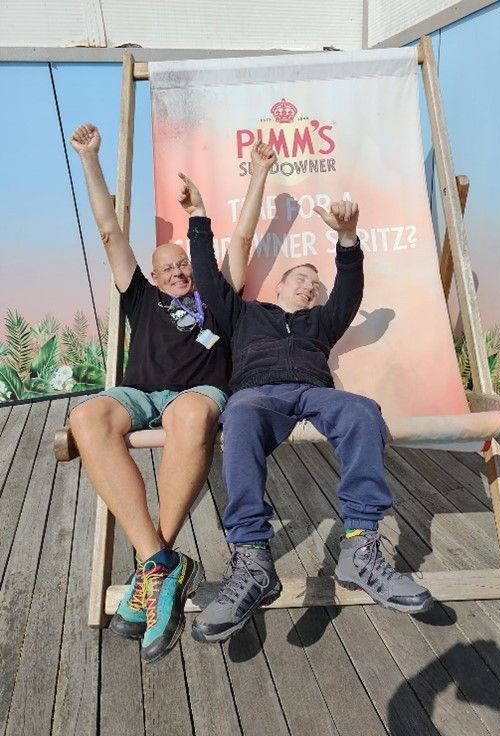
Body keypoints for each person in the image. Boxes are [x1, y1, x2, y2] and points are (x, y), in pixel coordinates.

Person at [175, 177, 434, 644]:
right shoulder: (245, 313)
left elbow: (349, 290)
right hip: (260, 392)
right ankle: (253, 559)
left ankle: (360, 547)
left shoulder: (322, 321)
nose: (311, 288)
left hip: (315, 393)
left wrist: (348, 239)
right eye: (302, 279)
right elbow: (209, 280)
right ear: (279, 284)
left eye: (316, 284)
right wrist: (197, 216)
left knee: (359, 410)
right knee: (241, 413)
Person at [68, 123, 276, 663]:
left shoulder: (214, 296)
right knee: (87, 419)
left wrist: (259, 175)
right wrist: (91, 159)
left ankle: (153, 569)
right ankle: (161, 561)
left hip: (199, 393)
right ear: (154, 277)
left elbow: (245, 239)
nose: (179, 269)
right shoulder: (140, 297)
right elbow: (110, 230)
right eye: (169, 266)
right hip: (139, 394)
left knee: (188, 413)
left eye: (183, 262)